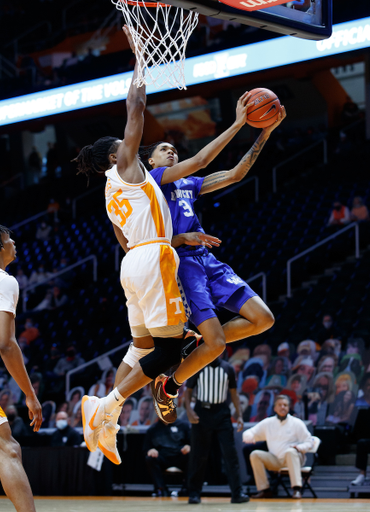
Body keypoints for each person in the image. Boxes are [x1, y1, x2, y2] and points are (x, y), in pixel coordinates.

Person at [75, 26, 256, 465]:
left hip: (132, 264)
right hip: (155, 257)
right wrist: (140, 56)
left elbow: (122, 240)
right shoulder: (127, 168)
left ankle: (106, 424)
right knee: (171, 352)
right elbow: (135, 106)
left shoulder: (111, 193)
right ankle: (106, 406)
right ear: (114, 156)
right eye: (126, 146)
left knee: (141, 349)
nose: (134, 146)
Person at [147, 108, 286, 421]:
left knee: (263, 320)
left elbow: (235, 174)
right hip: (181, 264)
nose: (171, 151)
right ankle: (169, 386)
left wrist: (265, 131)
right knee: (218, 345)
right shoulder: (153, 182)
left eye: (173, 149)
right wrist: (239, 121)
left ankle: (195, 343)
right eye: (163, 150)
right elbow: (199, 160)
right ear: (151, 162)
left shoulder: (187, 185)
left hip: (208, 260)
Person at [0, 223, 42, 512]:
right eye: (8, 239)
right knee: (8, 449)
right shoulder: (2, 280)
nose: (14, 242)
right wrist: (29, 394)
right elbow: (7, 344)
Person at [184, 356, 249, 504]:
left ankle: (237, 493)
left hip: (222, 412)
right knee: (198, 455)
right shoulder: (198, 364)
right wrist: (189, 410)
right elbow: (188, 391)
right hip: (202, 412)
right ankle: (194, 493)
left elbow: (234, 393)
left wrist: (239, 415)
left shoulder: (228, 368)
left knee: (230, 454)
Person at [243, 394, 314, 499]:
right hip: (275, 459)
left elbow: (310, 442)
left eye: (285, 405)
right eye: (280, 405)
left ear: (289, 408)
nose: (282, 407)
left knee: (290, 452)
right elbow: (250, 432)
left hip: (295, 458)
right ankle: (265, 490)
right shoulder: (268, 422)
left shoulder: (297, 423)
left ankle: (297, 489)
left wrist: (300, 448)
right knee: (255, 454)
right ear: (275, 408)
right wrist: (248, 436)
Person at [144, 418, 191, 497]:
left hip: (180, 455)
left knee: (192, 456)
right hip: (163, 457)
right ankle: (161, 489)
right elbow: (146, 448)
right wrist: (151, 450)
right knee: (150, 459)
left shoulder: (184, 425)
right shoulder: (152, 429)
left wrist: (189, 446)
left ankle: (187, 489)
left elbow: (192, 442)